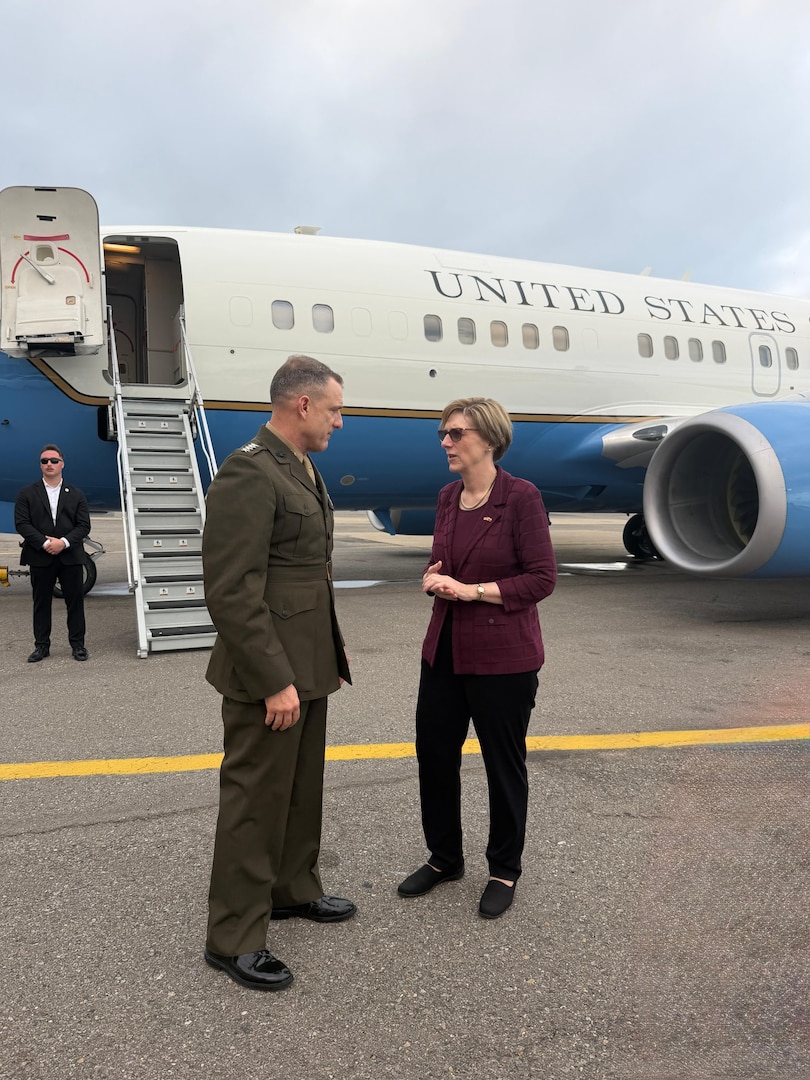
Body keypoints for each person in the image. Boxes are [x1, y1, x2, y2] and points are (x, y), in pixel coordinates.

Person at [202, 354, 354, 992]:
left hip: (307, 663)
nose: (339, 422)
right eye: (334, 410)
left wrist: (314, 666)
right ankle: (233, 937)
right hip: (269, 670)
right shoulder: (250, 469)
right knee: (255, 801)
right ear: (302, 405)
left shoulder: (300, 465)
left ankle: (292, 888)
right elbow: (231, 589)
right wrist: (272, 679)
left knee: (299, 789)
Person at [398, 398, 557, 919]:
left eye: (456, 433)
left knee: (502, 766)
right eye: (443, 434)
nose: (446, 442)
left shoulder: (521, 497)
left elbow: (541, 578)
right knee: (434, 756)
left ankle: (503, 869)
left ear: (488, 439)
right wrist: (433, 578)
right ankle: (445, 858)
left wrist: (473, 591)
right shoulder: (448, 497)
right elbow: (442, 561)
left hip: (503, 659)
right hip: (443, 651)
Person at [14, 444, 91, 663]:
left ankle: (78, 645)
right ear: (40, 465)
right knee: (41, 603)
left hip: (70, 557)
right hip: (40, 556)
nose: (49, 464)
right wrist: (45, 543)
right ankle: (41, 646)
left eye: (54, 461)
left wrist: (63, 543)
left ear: (62, 464)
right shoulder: (27, 493)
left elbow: (84, 525)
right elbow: (22, 523)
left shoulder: (76, 494)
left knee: (75, 603)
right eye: (44, 461)